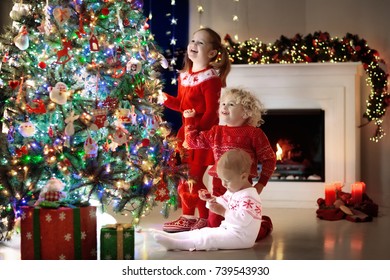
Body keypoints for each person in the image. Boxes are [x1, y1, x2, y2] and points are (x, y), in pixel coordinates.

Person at [160, 27, 231, 232]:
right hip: (186, 132)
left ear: (211, 53)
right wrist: (162, 97)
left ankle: (188, 217)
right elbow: (181, 105)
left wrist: (195, 135)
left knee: (192, 177)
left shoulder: (211, 79)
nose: (193, 45)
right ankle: (202, 218)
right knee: (187, 176)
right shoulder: (185, 76)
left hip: (202, 135)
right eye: (193, 41)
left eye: (200, 43)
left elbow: (211, 113)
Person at [183, 88, 277, 240]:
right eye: (223, 104)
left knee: (244, 229)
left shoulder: (254, 133)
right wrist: (189, 119)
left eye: (231, 104)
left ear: (246, 112)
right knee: (214, 225)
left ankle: (263, 225)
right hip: (219, 183)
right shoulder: (216, 132)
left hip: (242, 184)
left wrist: (261, 183)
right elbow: (192, 142)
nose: (224, 107)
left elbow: (270, 159)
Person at [152, 149, 262, 251]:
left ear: (243, 177)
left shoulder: (250, 196)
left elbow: (243, 220)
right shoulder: (233, 190)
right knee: (203, 232)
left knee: (209, 239)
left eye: (227, 181)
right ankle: (172, 236)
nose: (223, 184)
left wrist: (223, 212)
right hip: (228, 230)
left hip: (241, 238)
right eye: (222, 180)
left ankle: (176, 244)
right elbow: (222, 201)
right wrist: (210, 199)